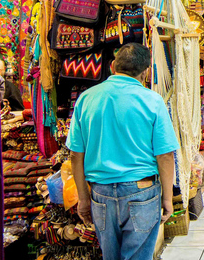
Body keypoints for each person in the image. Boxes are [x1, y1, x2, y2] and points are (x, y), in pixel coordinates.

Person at [66, 44, 179, 260]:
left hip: (101, 194)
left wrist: (83, 197)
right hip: (142, 191)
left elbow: (75, 155)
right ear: (145, 71)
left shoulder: (86, 99)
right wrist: (167, 198)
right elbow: (164, 155)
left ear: (112, 67)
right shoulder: (152, 101)